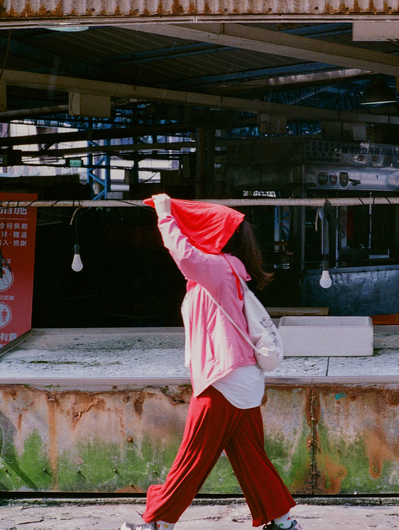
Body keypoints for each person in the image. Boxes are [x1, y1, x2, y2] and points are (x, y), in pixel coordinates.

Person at [121, 194, 301, 530]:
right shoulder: (226, 271)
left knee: (193, 455)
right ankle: (282, 520)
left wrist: (165, 215)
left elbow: (184, 255)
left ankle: (157, 521)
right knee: (250, 456)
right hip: (238, 377)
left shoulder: (217, 269)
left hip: (224, 377)